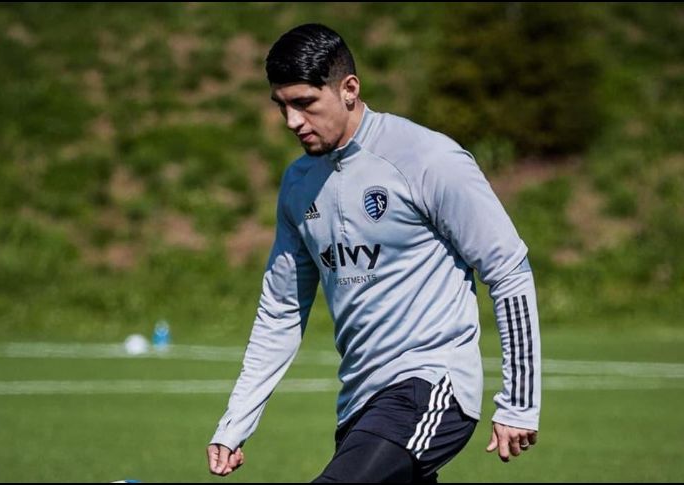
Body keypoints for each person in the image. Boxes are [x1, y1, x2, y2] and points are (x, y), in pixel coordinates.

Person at [207, 23, 541, 483]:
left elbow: (509, 270)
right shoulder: (297, 185)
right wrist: (235, 422)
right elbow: (281, 311)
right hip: (360, 409)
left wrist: (519, 402)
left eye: (304, 103)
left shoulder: (428, 158)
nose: (292, 122)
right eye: (281, 105)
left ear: (349, 89)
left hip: (431, 388)